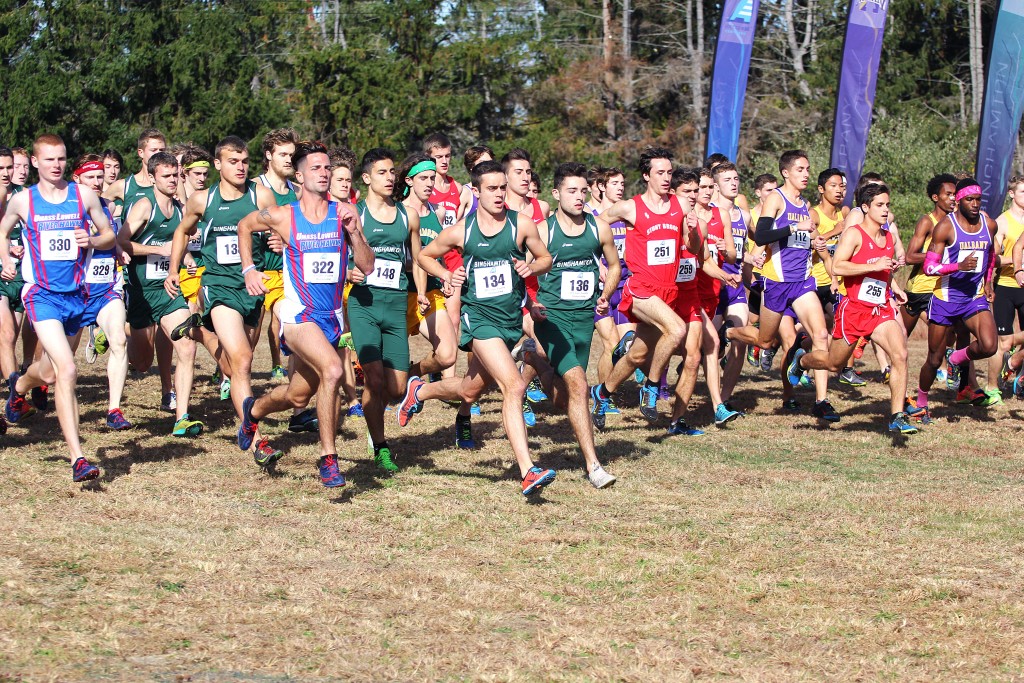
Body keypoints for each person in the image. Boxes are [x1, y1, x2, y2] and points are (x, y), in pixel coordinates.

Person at [396, 159, 558, 496]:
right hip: (480, 321)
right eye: (492, 188)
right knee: (514, 385)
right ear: (476, 191)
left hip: (510, 321)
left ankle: (419, 391)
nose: (499, 194)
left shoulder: (520, 224)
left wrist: (530, 267)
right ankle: (527, 470)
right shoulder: (462, 230)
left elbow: (546, 259)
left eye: (502, 188)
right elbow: (424, 255)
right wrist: (446, 275)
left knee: (470, 391)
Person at [236, 140, 375, 486]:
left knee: (297, 394)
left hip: (332, 318)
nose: (324, 173)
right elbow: (244, 226)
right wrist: (249, 269)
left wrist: (354, 232)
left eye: (327, 167)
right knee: (333, 370)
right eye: (315, 168)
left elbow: (367, 265)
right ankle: (329, 459)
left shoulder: (344, 212)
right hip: (298, 316)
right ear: (299, 176)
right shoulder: (284, 215)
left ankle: (253, 411)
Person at [0, 134, 117, 482]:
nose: (56, 165)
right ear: (35, 162)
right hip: (42, 296)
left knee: (49, 373)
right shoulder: (24, 200)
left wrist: (92, 240)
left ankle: (19, 387)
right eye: (49, 159)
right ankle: (78, 458)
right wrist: (6, 258)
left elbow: (109, 234)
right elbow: (2, 231)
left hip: (77, 297)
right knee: (66, 370)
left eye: (62, 158)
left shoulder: (83, 195)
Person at [166, 135, 281, 462]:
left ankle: (199, 332)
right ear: (218, 164)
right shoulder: (203, 200)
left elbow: (279, 228)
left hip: (253, 287)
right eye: (233, 161)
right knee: (242, 361)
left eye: (245, 161)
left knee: (236, 364)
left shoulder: (261, 194)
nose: (241, 167)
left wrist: (278, 240)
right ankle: (257, 439)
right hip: (219, 286)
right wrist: (173, 269)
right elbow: (182, 231)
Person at [516, 162, 621, 487]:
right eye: (571, 191)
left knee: (564, 398)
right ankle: (594, 466)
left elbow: (615, 266)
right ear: (556, 193)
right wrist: (531, 305)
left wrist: (605, 295)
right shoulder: (543, 231)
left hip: (583, 321)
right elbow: (518, 271)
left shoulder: (598, 228)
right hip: (552, 320)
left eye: (583, 191)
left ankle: (534, 360)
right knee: (580, 386)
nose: (579, 197)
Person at [785, 183, 917, 434]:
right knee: (834, 364)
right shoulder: (854, 234)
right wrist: (873, 265)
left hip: (879, 309)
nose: (885, 210)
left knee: (900, 355)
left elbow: (883, 270)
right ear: (865, 207)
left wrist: (894, 287)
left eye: (887, 205)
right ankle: (802, 360)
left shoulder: (888, 236)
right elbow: (838, 267)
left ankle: (897, 416)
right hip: (854, 310)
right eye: (879, 205)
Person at [589, 148, 704, 433]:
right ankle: (651, 387)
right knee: (677, 330)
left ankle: (602, 393)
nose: (666, 178)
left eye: (669, 172)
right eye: (659, 173)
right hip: (640, 289)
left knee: (637, 356)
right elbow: (595, 223)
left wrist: (693, 230)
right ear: (645, 175)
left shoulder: (680, 205)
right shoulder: (630, 207)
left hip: (668, 292)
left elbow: (693, 248)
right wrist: (599, 258)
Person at [724, 150, 840, 422]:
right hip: (777, 283)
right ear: (786, 173)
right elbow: (763, 236)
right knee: (765, 341)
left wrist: (815, 240)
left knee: (820, 335)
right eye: (800, 169)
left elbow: (806, 235)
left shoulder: (805, 204)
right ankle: (729, 332)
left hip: (802, 282)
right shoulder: (776, 198)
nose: (806, 174)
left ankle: (821, 401)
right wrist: (794, 227)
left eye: (808, 169)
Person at [348, 148, 424, 473]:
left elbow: (417, 260)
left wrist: (422, 292)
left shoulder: (409, 215)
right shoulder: (355, 214)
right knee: (375, 379)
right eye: (382, 172)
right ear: (366, 178)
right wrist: (347, 273)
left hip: (395, 306)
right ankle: (380, 445)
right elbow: (337, 254)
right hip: (364, 304)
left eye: (392, 171)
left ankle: (403, 398)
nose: (390, 177)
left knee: (396, 388)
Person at [118, 151, 205, 438]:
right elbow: (121, 242)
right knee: (142, 364)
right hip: (142, 293)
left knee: (187, 346)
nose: (172, 180)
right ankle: (119, 333)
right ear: (153, 177)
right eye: (166, 176)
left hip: (169, 290)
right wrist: (159, 250)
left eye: (175, 175)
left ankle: (182, 417)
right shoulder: (145, 206)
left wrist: (187, 261)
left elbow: (181, 246)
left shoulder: (180, 209)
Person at [907, 177, 999, 422]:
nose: (975, 204)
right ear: (958, 201)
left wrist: (988, 282)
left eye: (978, 199)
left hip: (973, 298)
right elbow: (929, 267)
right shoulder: (945, 227)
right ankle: (922, 402)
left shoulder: (989, 224)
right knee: (933, 359)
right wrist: (958, 266)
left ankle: (956, 358)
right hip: (945, 299)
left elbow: (990, 255)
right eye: (969, 199)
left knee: (990, 346)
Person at [71, 154, 131, 430]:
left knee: (119, 341)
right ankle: (25, 386)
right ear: (77, 178)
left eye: (100, 176)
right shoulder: (67, 210)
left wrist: (116, 249)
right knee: (58, 362)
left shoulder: (108, 206)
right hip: (73, 293)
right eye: (90, 177)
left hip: (106, 288)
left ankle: (114, 410)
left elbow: (110, 236)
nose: (97, 181)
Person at [397, 153, 457, 379]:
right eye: (423, 178)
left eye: (432, 178)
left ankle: (413, 374)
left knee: (447, 355)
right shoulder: (397, 212)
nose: (430, 183)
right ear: (409, 180)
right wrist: (422, 264)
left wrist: (443, 277)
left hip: (431, 292)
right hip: (400, 295)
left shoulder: (438, 211)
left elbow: (437, 253)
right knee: (389, 375)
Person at [693, 166, 741, 426]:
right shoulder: (687, 216)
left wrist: (725, 249)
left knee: (702, 349)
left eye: (710, 187)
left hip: (714, 290)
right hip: (690, 291)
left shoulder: (721, 214)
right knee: (709, 345)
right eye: (702, 187)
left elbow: (732, 256)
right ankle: (717, 406)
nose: (706, 191)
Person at [255, 128, 299, 382]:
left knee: (287, 318)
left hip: (286, 272)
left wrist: (286, 241)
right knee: (249, 336)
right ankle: (226, 371)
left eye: (292, 155)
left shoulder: (297, 190)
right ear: (269, 155)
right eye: (283, 154)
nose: (289, 160)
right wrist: (266, 232)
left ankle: (290, 370)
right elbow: (242, 224)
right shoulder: (255, 188)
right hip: (257, 273)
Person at [591, 167, 633, 401]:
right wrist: (597, 264)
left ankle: (607, 389)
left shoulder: (627, 215)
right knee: (611, 343)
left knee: (628, 345)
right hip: (600, 290)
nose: (620, 188)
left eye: (622, 183)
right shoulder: (591, 214)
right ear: (601, 186)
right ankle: (603, 397)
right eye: (614, 183)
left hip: (625, 285)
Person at [985, 175, 1024, 402]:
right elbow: (993, 259)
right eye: (1022, 192)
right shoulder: (1002, 222)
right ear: (1011, 194)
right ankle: (992, 388)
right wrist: (1018, 263)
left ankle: (1016, 371)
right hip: (1006, 287)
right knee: (1004, 343)